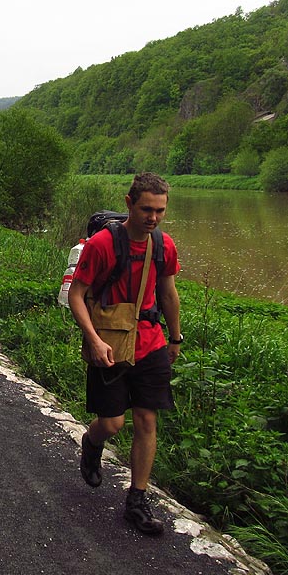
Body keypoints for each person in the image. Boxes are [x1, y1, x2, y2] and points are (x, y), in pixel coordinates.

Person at [67, 172, 182, 536]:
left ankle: (137, 500)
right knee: (113, 423)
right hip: (111, 342)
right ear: (129, 203)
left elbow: (168, 293)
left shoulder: (164, 245)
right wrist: (94, 340)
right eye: (147, 209)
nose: (153, 217)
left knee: (147, 421)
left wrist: (175, 337)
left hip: (151, 342)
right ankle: (91, 441)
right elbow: (76, 295)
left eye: (160, 210)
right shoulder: (101, 244)